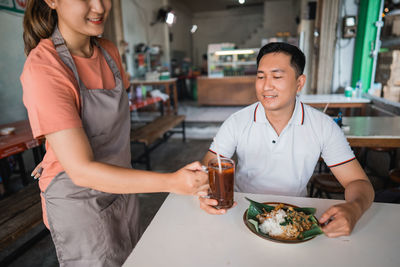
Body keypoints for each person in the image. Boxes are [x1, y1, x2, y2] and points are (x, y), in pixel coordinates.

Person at [21, 1, 208, 266]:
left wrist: (59, 143)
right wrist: (172, 182)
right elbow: (82, 171)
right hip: (79, 199)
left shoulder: (108, 51)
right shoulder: (44, 66)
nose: (99, 7)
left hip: (122, 183)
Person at [199, 42, 374, 238]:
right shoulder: (237, 121)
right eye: (260, 76)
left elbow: (358, 182)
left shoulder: (323, 126)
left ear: (299, 83)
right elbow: (207, 167)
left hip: (294, 216)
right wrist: (205, 191)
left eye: (277, 76)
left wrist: (354, 209)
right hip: (242, 212)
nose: (266, 86)